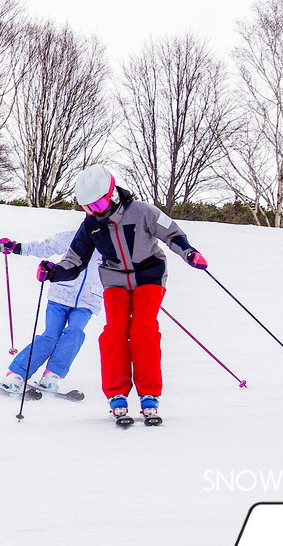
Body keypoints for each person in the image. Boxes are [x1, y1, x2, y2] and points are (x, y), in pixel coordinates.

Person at [38, 164, 208, 422]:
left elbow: (171, 232)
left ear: (113, 194)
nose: (95, 212)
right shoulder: (91, 225)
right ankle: (116, 393)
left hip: (148, 275)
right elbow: (75, 260)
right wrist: (53, 272)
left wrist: (189, 252)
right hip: (115, 279)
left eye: (97, 205)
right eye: (88, 208)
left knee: (143, 328)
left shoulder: (142, 212)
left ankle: (149, 393)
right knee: (115, 331)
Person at [0, 227, 104, 393]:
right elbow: (46, 246)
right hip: (60, 295)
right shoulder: (75, 236)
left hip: (88, 300)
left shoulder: (113, 244)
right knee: (50, 336)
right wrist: (17, 247)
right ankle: (16, 373)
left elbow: (127, 266)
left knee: (75, 332)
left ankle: (52, 374)